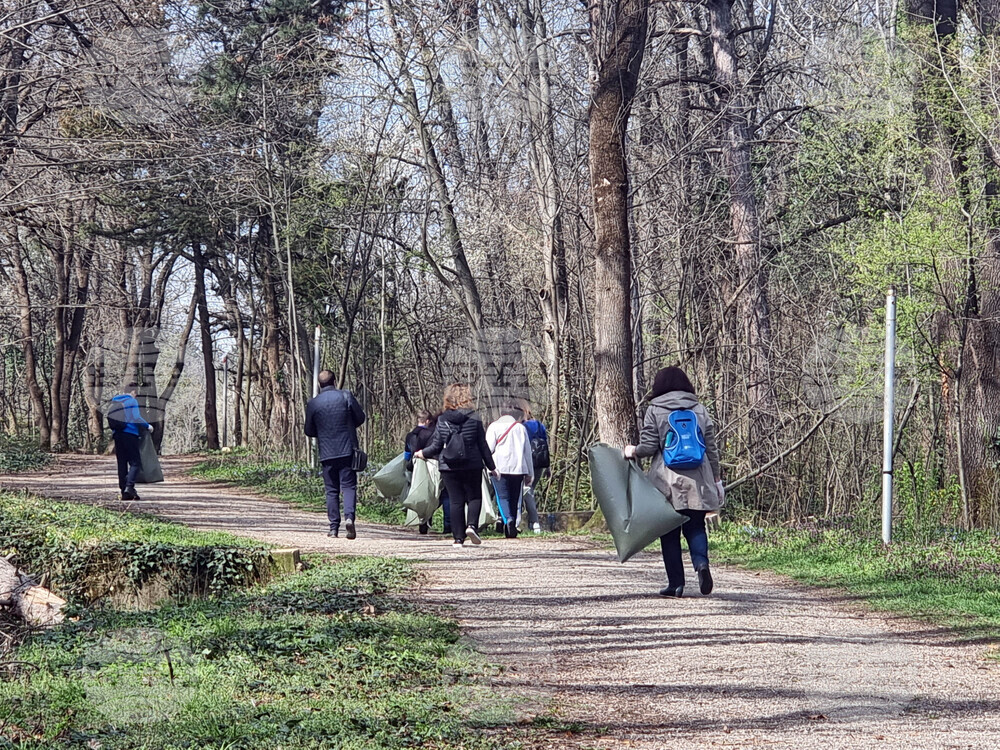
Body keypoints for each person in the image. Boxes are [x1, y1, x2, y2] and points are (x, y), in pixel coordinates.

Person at [625, 366, 723, 598]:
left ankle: (676, 585)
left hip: (666, 481)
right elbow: (711, 447)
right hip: (698, 479)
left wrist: (633, 450)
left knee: (669, 533)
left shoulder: (655, 409)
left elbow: (649, 447)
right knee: (696, 526)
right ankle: (701, 565)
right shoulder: (699, 409)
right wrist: (716, 477)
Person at [415, 383, 496, 548]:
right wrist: (492, 467)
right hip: (472, 464)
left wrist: (422, 453)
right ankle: (471, 526)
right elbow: (483, 445)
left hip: (449, 466)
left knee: (455, 501)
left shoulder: (442, 419)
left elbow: (436, 446)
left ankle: (458, 539)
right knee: (474, 497)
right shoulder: (474, 417)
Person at [305, 370, 366, 539]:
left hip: (326, 452)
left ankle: (333, 528)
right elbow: (360, 417)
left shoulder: (313, 404)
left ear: (319, 384)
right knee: (348, 486)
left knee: (331, 490)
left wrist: (322, 431)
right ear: (335, 381)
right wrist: (348, 424)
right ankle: (349, 518)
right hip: (347, 450)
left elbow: (308, 430)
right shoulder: (346, 396)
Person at [486, 403, 534, 538]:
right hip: (518, 468)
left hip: (498, 468)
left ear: (501, 414)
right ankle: (512, 525)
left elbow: (488, 449)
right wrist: (530, 473)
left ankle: (508, 520)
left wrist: (487, 466)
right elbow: (527, 452)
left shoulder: (493, 427)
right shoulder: (520, 428)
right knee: (514, 497)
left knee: (502, 497)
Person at [405, 410, 450, 535]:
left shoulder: (411, 435)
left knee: (425, 494)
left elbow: (407, 454)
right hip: (439, 465)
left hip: (419, 467)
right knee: (445, 495)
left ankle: (424, 521)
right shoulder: (437, 433)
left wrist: (409, 464)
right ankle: (448, 526)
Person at [108, 382, 153, 501]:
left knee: (121, 463)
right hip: (130, 434)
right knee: (135, 462)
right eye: (136, 393)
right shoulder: (132, 401)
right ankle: (129, 487)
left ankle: (124, 491)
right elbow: (136, 417)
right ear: (133, 391)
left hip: (117, 435)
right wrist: (147, 426)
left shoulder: (115, 401)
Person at [520, 401, 549, 534]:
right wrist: (548, 467)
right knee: (529, 490)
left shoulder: (521, 427)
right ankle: (532, 523)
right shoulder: (539, 425)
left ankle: (534, 522)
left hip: (526, 462)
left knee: (527, 491)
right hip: (540, 462)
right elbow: (546, 445)